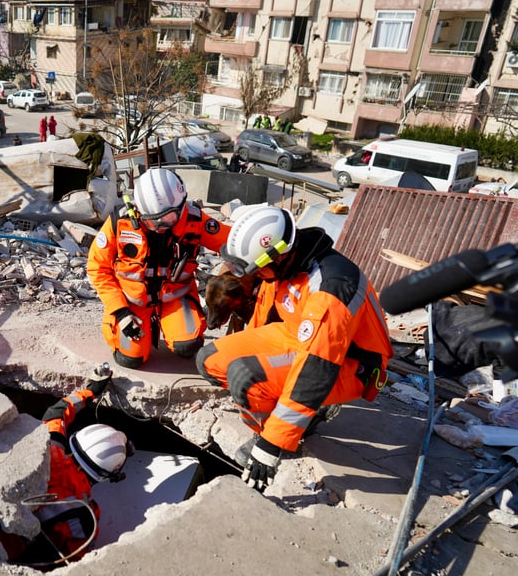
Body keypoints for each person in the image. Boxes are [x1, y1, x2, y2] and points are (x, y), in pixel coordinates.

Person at [195, 205, 394, 491]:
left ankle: (275, 433)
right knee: (211, 360)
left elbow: (316, 368)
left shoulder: (331, 288)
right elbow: (263, 320)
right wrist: (251, 356)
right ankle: (288, 409)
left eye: (255, 269)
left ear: (277, 255)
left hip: (348, 363)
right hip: (296, 336)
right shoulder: (284, 267)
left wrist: (271, 445)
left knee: (246, 376)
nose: (255, 276)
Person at [87, 167, 231, 369]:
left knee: (188, 346)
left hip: (175, 295)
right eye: (153, 220)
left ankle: (173, 326)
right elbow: (97, 268)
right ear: (139, 210)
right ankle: (123, 326)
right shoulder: (118, 223)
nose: (161, 225)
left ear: (181, 207)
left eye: (169, 218)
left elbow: (233, 243)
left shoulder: (195, 220)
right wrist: (120, 312)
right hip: (132, 302)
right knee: (130, 359)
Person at [0, 364, 129, 568]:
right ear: (105, 476)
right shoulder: (85, 513)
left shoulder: (49, 447)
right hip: (5, 555)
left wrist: (91, 390)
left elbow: (56, 412)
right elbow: (77, 561)